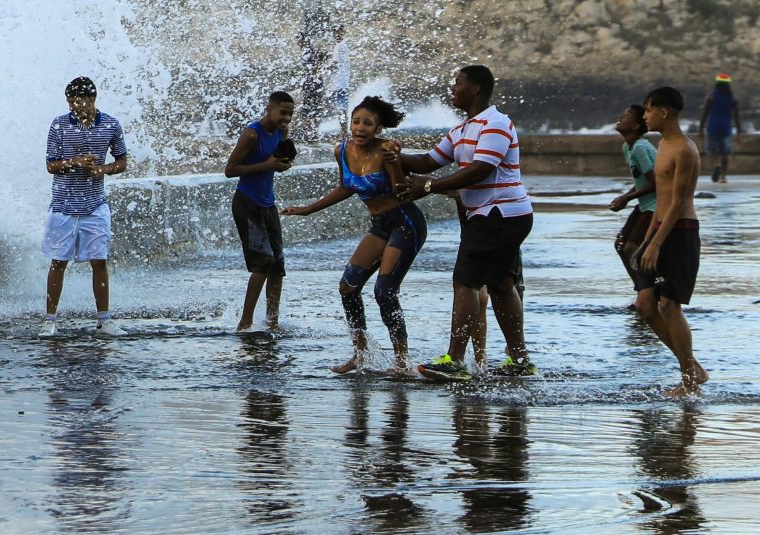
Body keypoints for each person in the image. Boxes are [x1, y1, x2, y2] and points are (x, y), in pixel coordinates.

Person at [398, 65, 538, 381]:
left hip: (499, 214)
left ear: (475, 89)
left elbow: (480, 169)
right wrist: (390, 151)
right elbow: (426, 161)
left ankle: (455, 360)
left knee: (465, 281)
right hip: (495, 216)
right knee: (501, 284)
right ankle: (520, 361)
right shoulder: (462, 129)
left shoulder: (497, 123)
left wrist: (430, 186)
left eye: (458, 83)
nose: (453, 88)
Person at [283, 95, 429, 377]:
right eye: (356, 121)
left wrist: (396, 162)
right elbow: (345, 187)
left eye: (367, 123)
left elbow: (401, 190)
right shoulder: (342, 150)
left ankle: (401, 361)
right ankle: (360, 353)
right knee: (348, 287)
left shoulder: (387, 149)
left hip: (405, 221)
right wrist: (308, 210)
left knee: (384, 292)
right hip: (379, 224)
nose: (360, 128)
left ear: (378, 128)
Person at [42, 76, 129, 336]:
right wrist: (75, 162)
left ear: (91, 99)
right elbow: (50, 165)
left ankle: (104, 320)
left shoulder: (111, 125)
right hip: (62, 206)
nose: (72, 106)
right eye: (69, 101)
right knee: (58, 262)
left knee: (99, 261)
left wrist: (103, 169)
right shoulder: (58, 125)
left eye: (76, 101)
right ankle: (50, 321)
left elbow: (122, 162)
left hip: (95, 206)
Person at [637, 86, 710, 396]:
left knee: (669, 305)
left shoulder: (684, 149)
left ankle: (689, 382)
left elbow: (679, 202)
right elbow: (661, 199)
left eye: (648, 110)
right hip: (660, 229)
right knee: (645, 305)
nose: (645, 116)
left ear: (663, 112)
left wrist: (656, 244)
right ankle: (693, 367)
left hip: (680, 232)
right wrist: (646, 240)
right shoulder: (663, 144)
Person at [222, 91, 297, 335]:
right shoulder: (251, 134)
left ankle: (272, 321)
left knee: (277, 264)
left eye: (290, 114)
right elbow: (230, 170)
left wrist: (283, 166)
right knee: (262, 262)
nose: (286, 118)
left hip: (268, 203)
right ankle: (245, 321)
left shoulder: (281, 133)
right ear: (269, 109)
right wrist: (269, 165)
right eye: (282, 113)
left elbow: (276, 164)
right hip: (247, 203)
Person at [604, 102, 659, 292]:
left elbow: (655, 183)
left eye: (627, 115)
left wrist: (627, 199)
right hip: (645, 204)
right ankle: (641, 288)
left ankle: (650, 290)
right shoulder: (628, 148)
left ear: (636, 125)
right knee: (620, 244)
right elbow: (643, 180)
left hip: (655, 206)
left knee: (631, 248)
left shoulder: (640, 148)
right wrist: (626, 195)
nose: (621, 118)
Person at [700, 75, 739, 183]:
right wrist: (739, 130)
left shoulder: (710, 96)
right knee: (725, 153)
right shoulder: (733, 97)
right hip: (726, 129)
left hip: (712, 127)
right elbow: (736, 115)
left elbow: (704, 113)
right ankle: (723, 176)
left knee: (712, 151)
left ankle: (717, 164)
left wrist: (700, 128)